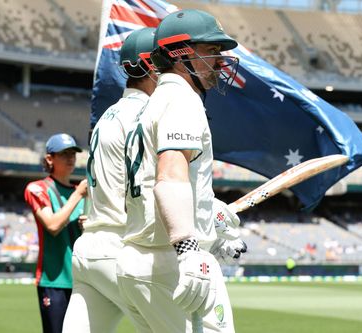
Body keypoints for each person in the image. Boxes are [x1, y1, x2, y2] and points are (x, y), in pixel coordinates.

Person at [116, 9, 246, 333]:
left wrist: (208, 217)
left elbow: (153, 180)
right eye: (212, 50)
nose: (220, 60)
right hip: (169, 263)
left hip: (136, 261)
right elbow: (169, 178)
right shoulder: (181, 99)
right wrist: (190, 249)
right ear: (181, 53)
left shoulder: (156, 99)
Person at [62, 28, 158, 333]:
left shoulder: (107, 115)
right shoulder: (151, 114)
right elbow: (154, 187)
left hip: (88, 249)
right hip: (122, 248)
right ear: (152, 67)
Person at [23, 133, 87, 333]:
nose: (70, 158)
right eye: (64, 153)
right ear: (49, 158)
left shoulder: (84, 194)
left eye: (73, 153)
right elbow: (52, 225)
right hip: (54, 280)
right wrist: (77, 195)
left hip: (83, 280)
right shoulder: (37, 188)